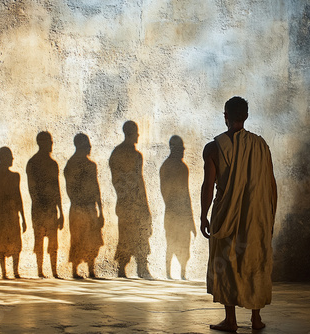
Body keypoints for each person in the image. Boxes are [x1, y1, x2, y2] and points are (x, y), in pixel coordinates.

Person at [200, 97, 277, 331]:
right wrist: (269, 214)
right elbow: (271, 184)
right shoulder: (261, 145)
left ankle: (231, 320)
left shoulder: (214, 147)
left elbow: (208, 185)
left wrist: (204, 215)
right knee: (254, 259)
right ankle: (255, 318)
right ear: (245, 116)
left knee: (227, 262)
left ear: (225, 115)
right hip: (256, 215)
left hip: (226, 214)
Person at [109, 121, 152, 278]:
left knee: (140, 233)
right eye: (136, 132)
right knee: (127, 234)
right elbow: (118, 180)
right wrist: (130, 197)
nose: (138, 136)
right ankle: (123, 267)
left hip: (133, 202)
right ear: (131, 133)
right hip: (128, 202)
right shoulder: (121, 154)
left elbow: (139, 180)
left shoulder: (132, 155)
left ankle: (141, 267)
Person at [64, 133, 104, 278]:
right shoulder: (75, 165)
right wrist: (98, 209)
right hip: (81, 207)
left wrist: (100, 210)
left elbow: (95, 188)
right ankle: (77, 270)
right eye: (87, 144)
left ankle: (90, 269)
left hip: (83, 207)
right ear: (81, 145)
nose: (90, 147)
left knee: (90, 238)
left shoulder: (78, 164)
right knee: (79, 238)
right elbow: (71, 188)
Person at [26, 132, 64, 278]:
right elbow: (32, 188)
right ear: (41, 143)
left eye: (51, 141)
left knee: (53, 241)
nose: (51, 144)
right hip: (41, 208)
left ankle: (53, 271)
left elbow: (56, 187)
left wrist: (60, 210)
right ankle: (40, 270)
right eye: (49, 141)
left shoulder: (52, 164)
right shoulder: (33, 163)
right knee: (39, 240)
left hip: (50, 208)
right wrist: (39, 205)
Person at [160, 135, 196, 280]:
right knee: (172, 241)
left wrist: (190, 218)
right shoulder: (170, 167)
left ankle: (182, 272)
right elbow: (165, 190)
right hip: (174, 211)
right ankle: (169, 272)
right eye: (180, 148)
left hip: (179, 211)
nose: (182, 151)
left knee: (183, 242)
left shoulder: (181, 167)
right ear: (174, 149)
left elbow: (186, 192)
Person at [0, 147, 27, 279]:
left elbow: (18, 196)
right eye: (10, 156)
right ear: (4, 157)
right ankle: (6, 272)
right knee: (4, 240)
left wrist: (22, 216)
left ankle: (13, 271)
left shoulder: (12, 176)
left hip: (9, 214)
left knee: (14, 241)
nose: (12, 159)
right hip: (6, 214)